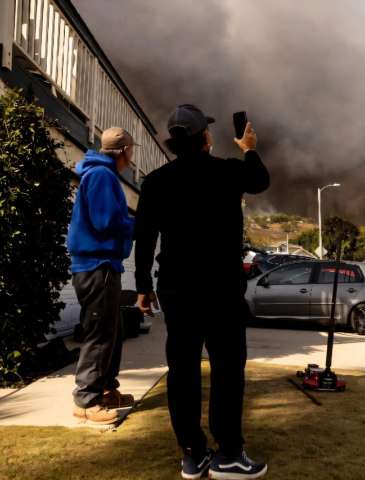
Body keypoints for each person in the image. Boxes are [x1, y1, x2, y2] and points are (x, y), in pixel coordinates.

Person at [134, 104, 270, 479]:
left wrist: (143, 286)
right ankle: (228, 454)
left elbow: (143, 238)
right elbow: (260, 180)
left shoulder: (157, 181)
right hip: (222, 291)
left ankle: (192, 454)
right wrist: (249, 147)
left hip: (177, 292)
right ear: (205, 137)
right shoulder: (227, 172)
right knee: (227, 370)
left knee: (182, 372)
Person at [67, 127, 137, 425]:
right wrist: (139, 225)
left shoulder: (102, 175)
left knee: (112, 332)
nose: (132, 158)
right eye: (131, 151)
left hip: (103, 265)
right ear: (123, 151)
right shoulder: (101, 176)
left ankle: (107, 389)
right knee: (99, 333)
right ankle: (87, 400)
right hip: (97, 266)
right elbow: (106, 221)